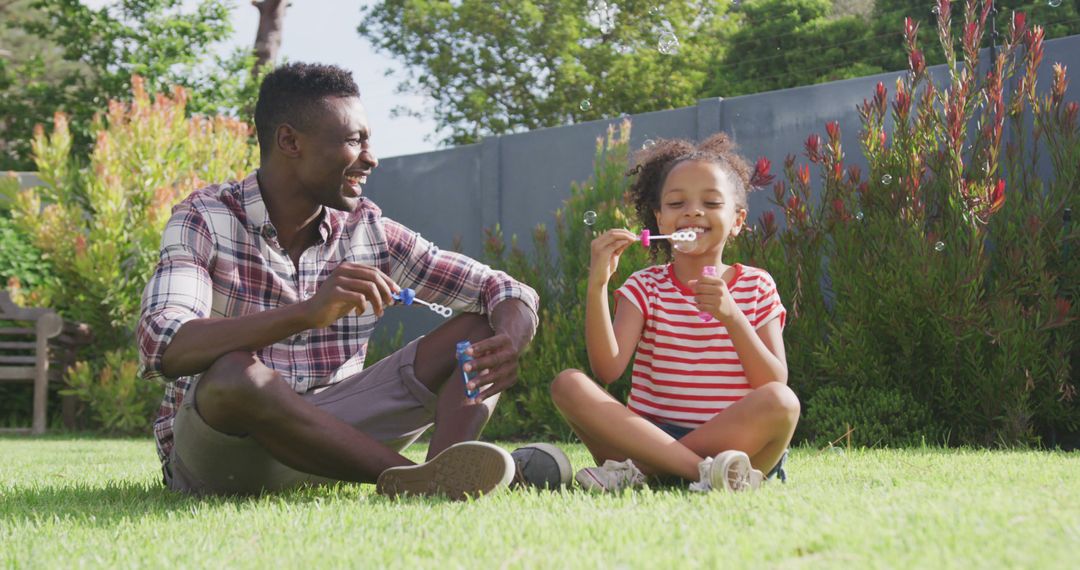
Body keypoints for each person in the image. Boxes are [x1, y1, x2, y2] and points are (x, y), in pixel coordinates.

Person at [137, 62, 571, 498]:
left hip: (337, 441)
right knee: (235, 375)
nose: (371, 157)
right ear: (290, 141)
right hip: (224, 454)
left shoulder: (367, 228)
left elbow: (504, 289)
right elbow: (163, 342)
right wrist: (306, 313)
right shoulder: (206, 218)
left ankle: (451, 473)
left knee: (481, 326)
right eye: (353, 140)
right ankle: (429, 479)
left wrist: (510, 337)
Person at [549, 133, 800, 493]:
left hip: (731, 441)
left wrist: (732, 316)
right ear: (660, 220)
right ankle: (705, 473)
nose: (693, 211)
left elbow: (773, 382)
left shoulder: (757, 286)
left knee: (782, 402)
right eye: (676, 203)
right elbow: (608, 369)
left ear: (738, 220)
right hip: (645, 435)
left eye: (711, 202)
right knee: (568, 384)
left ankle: (643, 472)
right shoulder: (645, 286)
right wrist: (597, 285)